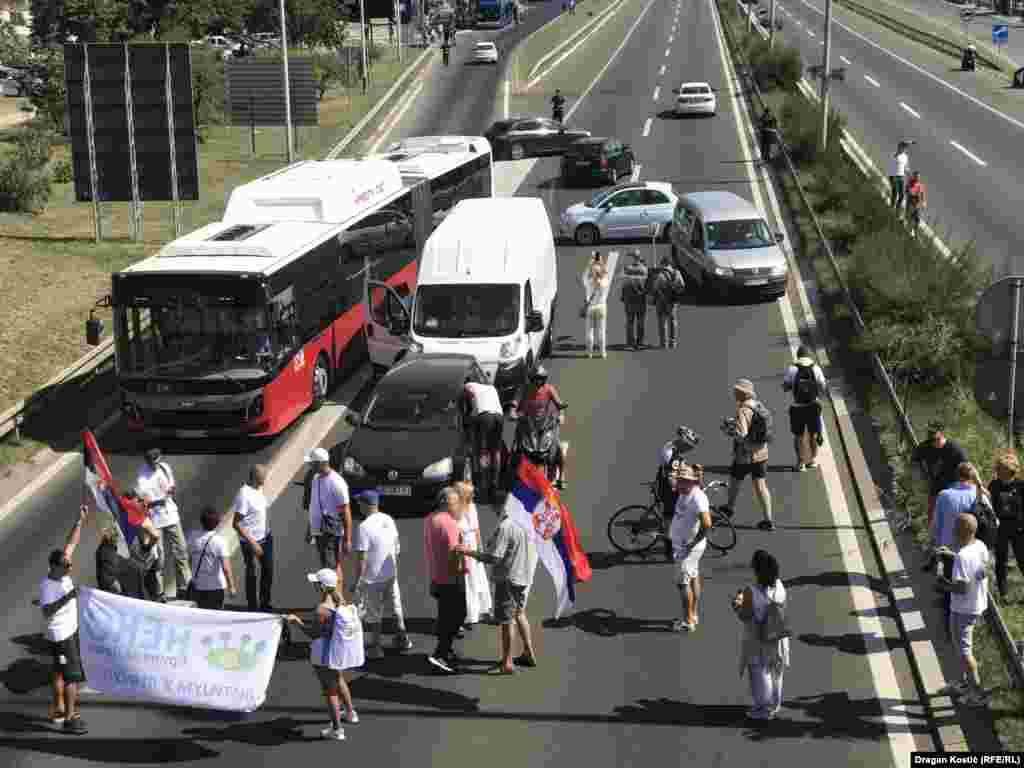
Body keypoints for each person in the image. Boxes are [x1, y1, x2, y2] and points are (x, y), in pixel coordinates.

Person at [457, 498, 538, 674]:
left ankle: (507, 663)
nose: (495, 510)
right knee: (520, 614)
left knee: (506, 621)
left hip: (508, 579)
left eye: (495, 506)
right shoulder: (530, 521)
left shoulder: (506, 526)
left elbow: (493, 557)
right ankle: (528, 652)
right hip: (525, 577)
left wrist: (468, 552)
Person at [286, 568, 362, 740]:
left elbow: (312, 633)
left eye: (315, 583)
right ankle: (350, 713)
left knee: (330, 692)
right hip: (337, 651)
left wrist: (296, 621)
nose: (313, 586)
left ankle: (337, 730)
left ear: (321, 587)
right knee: (339, 679)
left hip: (323, 654)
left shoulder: (321, 610)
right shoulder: (340, 602)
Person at [41, 506, 89, 733]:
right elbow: (47, 611)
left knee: (59, 671)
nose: (70, 567)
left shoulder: (61, 571)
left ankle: (59, 708)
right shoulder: (49, 587)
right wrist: (68, 596)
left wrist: (79, 520)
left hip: (65, 632)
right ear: (54, 567)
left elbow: (72, 543)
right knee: (72, 676)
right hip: (62, 635)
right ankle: (70, 717)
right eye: (66, 566)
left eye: (69, 564)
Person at [936, 514, 990, 706]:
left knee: (965, 651)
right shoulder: (980, 546)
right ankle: (963, 683)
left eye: (955, 528)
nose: (952, 531)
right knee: (959, 646)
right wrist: (949, 555)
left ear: (961, 532)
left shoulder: (962, 557)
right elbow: (981, 570)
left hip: (964, 608)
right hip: (975, 604)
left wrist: (944, 584)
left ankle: (977, 694)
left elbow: (962, 587)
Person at [352, 490, 413, 658]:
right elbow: (396, 548)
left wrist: (357, 581)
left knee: (373, 613)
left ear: (366, 505)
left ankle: (376, 648)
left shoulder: (363, 527)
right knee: (395, 607)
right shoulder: (388, 520)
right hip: (390, 574)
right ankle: (403, 639)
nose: (358, 506)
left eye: (360, 503)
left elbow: (362, 558)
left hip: (372, 578)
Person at [732, 549, 790, 721]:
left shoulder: (751, 591)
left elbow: (745, 616)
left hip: (758, 638)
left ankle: (762, 710)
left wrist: (736, 605)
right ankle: (775, 704)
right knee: (776, 671)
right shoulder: (779, 585)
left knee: (760, 673)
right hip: (778, 635)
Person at [135, 448, 190, 601]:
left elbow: (171, 488)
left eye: (158, 461)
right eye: (154, 463)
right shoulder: (142, 475)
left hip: (171, 514)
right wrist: (159, 500)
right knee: (158, 558)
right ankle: (159, 592)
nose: (156, 465)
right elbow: (145, 499)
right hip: (155, 519)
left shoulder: (165, 467)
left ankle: (184, 587)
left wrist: (171, 491)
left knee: (181, 551)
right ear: (148, 462)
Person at [424, 487, 469, 674]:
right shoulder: (449, 523)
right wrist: (459, 571)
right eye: (454, 501)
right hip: (452, 577)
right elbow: (455, 552)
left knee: (445, 615)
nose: (457, 505)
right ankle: (440, 654)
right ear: (443, 502)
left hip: (438, 575)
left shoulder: (430, 519)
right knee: (458, 614)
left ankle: (446, 649)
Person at [912, 422, 968, 570]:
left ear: (942, 434)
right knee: (933, 526)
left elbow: (967, 468)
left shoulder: (954, 449)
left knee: (950, 528)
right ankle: (933, 558)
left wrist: (976, 486)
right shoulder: (925, 447)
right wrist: (921, 477)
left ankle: (951, 562)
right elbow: (915, 460)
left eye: (935, 437)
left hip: (952, 494)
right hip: (936, 492)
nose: (932, 440)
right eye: (930, 436)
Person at [720, 379, 774, 531]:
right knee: (761, 486)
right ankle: (768, 519)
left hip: (744, 455)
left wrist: (728, 430)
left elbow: (741, 434)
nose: (734, 393)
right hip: (761, 453)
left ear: (742, 393)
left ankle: (729, 507)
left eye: (736, 391)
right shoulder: (758, 405)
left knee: (735, 480)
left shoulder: (743, 410)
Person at [931, 463, 977, 632]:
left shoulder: (944, 495)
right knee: (965, 586)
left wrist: (934, 543)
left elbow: (936, 524)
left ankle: (949, 623)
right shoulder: (978, 495)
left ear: (956, 475)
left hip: (947, 549)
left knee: (948, 586)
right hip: (970, 550)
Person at [669, 464, 712, 632]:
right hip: (686, 546)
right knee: (693, 576)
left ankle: (688, 621)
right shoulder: (685, 491)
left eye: (681, 480)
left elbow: (707, 523)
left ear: (690, 482)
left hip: (687, 549)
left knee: (682, 583)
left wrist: (692, 543)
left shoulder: (697, 498)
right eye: (678, 479)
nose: (677, 482)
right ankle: (692, 613)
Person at [510, 366, 568, 488]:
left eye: (540, 379)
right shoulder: (523, 389)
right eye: (536, 379)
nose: (538, 382)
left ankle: (561, 476)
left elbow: (559, 404)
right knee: (516, 449)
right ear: (531, 379)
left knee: (558, 448)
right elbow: (514, 403)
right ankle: (511, 474)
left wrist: (561, 414)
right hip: (527, 424)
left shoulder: (549, 389)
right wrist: (512, 412)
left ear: (544, 379)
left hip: (546, 424)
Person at [305, 447, 353, 583]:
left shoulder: (337, 483)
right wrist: (310, 528)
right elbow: (314, 505)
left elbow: (346, 511)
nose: (309, 466)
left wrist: (348, 539)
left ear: (320, 464)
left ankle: (336, 599)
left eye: (312, 463)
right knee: (327, 565)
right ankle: (334, 598)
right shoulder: (315, 478)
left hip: (331, 531)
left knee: (331, 567)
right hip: (319, 531)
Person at [232, 465, 273, 612]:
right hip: (250, 542)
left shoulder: (259, 488)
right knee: (252, 572)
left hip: (265, 538)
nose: (266, 479)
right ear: (255, 477)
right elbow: (235, 523)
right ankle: (252, 606)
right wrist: (253, 542)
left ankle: (265, 603)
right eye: (264, 476)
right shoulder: (244, 495)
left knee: (268, 570)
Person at [782, 345, 828, 472]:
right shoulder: (816, 368)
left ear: (798, 356)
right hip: (813, 407)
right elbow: (823, 386)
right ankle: (812, 461)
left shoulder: (792, 369)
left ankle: (800, 463)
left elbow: (785, 387)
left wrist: (792, 386)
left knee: (799, 436)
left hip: (798, 407)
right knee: (813, 434)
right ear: (809, 356)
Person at [455, 480, 493, 629]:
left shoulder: (471, 506)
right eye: (470, 493)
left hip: (473, 546)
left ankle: (484, 610)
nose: (473, 495)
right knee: (468, 582)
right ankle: (469, 615)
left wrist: (480, 547)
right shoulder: (454, 510)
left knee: (479, 578)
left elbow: (476, 528)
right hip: (464, 548)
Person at [989, 449, 1024, 600]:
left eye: (1000, 469)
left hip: (1019, 529)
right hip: (1001, 528)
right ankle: (1003, 593)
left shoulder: (1021, 486)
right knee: (1001, 560)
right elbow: (989, 504)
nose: (997, 472)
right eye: (997, 469)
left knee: (1022, 559)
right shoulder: (994, 485)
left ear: (1010, 472)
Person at [187, 505, 237, 610]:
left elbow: (190, 559)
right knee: (215, 617)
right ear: (217, 523)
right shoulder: (220, 541)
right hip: (216, 588)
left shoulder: (193, 536)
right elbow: (226, 569)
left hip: (198, 586)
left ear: (201, 521)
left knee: (200, 616)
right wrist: (231, 587)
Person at [464, 376, 505, 498]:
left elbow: (467, 403)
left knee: (482, 451)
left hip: (484, 415)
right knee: (495, 451)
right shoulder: (491, 387)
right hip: (499, 415)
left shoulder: (468, 386)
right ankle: (495, 482)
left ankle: (482, 482)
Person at [646, 255, 685, 349]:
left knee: (662, 321)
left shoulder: (660, 275)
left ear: (663, 263)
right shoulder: (677, 273)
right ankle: (673, 342)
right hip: (672, 301)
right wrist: (675, 291)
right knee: (673, 320)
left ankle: (663, 343)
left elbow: (655, 287)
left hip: (662, 300)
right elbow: (682, 285)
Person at [129, 518, 166, 602]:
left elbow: (154, 537)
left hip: (148, 564)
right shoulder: (140, 524)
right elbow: (154, 536)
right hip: (142, 563)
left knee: (151, 584)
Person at [582, 251, 610, 359]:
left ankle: (589, 353)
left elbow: (584, 274)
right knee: (601, 331)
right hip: (601, 306)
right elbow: (605, 273)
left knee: (589, 331)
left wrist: (591, 263)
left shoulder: (588, 281)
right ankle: (603, 353)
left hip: (590, 307)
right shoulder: (604, 281)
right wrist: (601, 263)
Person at [621, 249, 649, 350]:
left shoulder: (627, 269)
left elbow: (624, 284)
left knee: (630, 322)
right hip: (641, 299)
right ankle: (640, 342)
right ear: (639, 258)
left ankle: (630, 343)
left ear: (632, 258)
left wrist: (623, 297)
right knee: (641, 322)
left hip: (629, 300)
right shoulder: (644, 269)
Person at [888, 141, 909, 210]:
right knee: (895, 192)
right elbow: (891, 164)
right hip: (893, 176)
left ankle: (897, 208)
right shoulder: (894, 154)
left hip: (901, 176)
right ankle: (891, 207)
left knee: (902, 195)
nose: (903, 149)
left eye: (904, 148)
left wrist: (907, 171)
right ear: (899, 147)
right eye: (902, 147)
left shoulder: (905, 157)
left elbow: (905, 166)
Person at [906, 170, 927, 237]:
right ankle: (910, 230)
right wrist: (913, 193)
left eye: (918, 177)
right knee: (910, 218)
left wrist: (924, 201)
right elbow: (907, 191)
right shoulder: (910, 183)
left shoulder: (920, 185)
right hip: (910, 204)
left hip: (917, 205)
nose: (917, 178)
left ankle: (915, 232)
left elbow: (922, 194)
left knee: (917, 219)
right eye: (916, 177)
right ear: (914, 176)